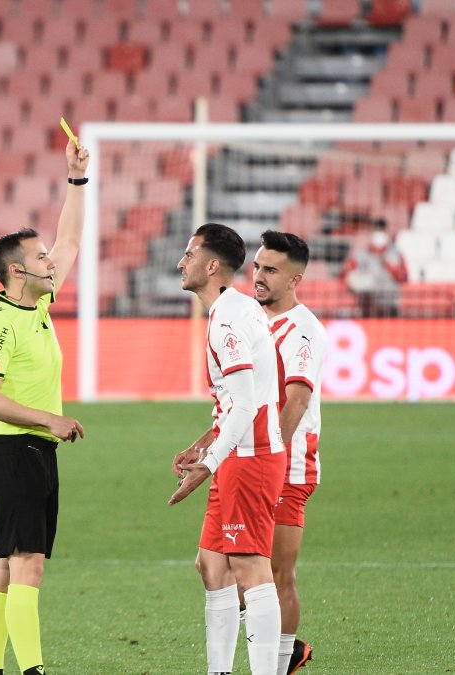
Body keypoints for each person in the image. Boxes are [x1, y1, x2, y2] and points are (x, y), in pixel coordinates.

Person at [0, 138, 89, 675]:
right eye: (40, 257)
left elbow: (71, 239)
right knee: (28, 566)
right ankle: (32, 671)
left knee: (3, 568)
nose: (50, 261)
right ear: (17, 272)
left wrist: (76, 180)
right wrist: (50, 419)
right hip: (14, 453)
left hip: (33, 453)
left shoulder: (36, 304)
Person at [169, 223, 286, 675]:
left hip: (250, 457)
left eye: (190, 254)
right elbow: (236, 400)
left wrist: (209, 463)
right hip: (236, 452)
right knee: (211, 565)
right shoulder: (234, 309)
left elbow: (246, 404)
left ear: (212, 265)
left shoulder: (229, 320)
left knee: (250, 568)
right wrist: (204, 446)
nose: (181, 262)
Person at [253, 230, 328, 674]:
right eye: (257, 266)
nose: (258, 276)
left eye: (270, 270)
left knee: (276, 573)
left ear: (295, 279)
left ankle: (282, 661)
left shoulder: (304, 330)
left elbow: (296, 402)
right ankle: (286, 649)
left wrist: (271, 456)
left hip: (288, 464)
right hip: (253, 458)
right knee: (223, 567)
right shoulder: (256, 321)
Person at [340, 219, 408, 318]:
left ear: (387, 233)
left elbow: (403, 277)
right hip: (367, 306)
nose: (379, 234)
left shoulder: (395, 253)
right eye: (376, 230)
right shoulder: (362, 254)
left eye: (381, 231)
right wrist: (357, 282)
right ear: (371, 233)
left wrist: (387, 264)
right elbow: (345, 274)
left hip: (390, 305)